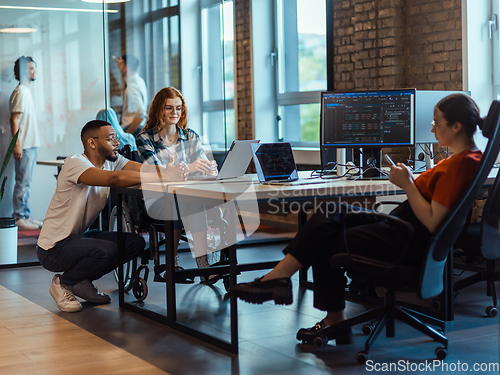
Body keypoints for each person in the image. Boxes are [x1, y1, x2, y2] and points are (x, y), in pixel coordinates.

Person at [232, 93, 483, 344]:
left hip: (406, 238)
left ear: (456, 126)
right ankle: (281, 279)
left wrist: (407, 184)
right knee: (330, 212)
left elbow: (432, 221)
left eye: (436, 123)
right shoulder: (469, 159)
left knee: (326, 237)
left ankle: (321, 310)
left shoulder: (460, 164)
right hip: (403, 228)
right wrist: (411, 181)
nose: (432, 128)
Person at [37, 119, 188, 313]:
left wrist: (169, 171)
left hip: (77, 239)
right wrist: (164, 176)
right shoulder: (75, 162)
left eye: (115, 138)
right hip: (53, 247)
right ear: (92, 142)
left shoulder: (112, 162)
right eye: (110, 139)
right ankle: (63, 283)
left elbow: (143, 169)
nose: (116, 142)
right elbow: (114, 180)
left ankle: (81, 282)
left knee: (135, 243)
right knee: (107, 250)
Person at [136, 87, 221, 284]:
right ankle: (172, 265)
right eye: (169, 108)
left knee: (193, 201)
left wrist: (209, 169)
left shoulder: (190, 136)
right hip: (157, 199)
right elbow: (158, 172)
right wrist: (191, 167)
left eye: (179, 108)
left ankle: (203, 266)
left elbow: (201, 168)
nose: (175, 112)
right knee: (181, 202)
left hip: (189, 197)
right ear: (159, 109)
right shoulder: (145, 138)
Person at [9, 56, 42, 231]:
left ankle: (26, 216)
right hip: (25, 145)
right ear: (22, 71)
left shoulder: (26, 91)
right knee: (22, 183)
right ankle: (20, 216)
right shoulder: (21, 91)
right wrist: (17, 145)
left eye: (34, 68)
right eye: (30, 68)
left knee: (25, 182)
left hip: (30, 145)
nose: (34, 71)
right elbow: (14, 120)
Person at [114, 55, 148, 136]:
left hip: (132, 129)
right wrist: (121, 68)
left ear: (126, 67)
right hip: (136, 128)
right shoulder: (139, 81)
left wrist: (125, 135)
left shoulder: (132, 87)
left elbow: (140, 115)